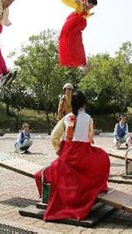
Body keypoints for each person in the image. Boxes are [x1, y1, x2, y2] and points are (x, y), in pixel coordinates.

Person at [34, 91, 110, 221]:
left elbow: (54, 136)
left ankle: (50, 200)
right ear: (84, 104)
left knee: (41, 174)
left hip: (68, 157)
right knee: (103, 157)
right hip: (84, 157)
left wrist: (60, 151)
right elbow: (90, 138)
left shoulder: (67, 117)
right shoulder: (89, 118)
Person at [52, 0, 97, 68]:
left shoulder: (87, 10)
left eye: (93, 7)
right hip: (72, 25)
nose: (91, 7)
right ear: (88, 2)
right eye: (92, 6)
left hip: (77, 28)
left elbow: (85, 16)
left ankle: (82, 63)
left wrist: (89, 15)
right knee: (70, 41)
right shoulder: (79, 4)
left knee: (79, 43)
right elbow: (69, 1)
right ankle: (72, 60)